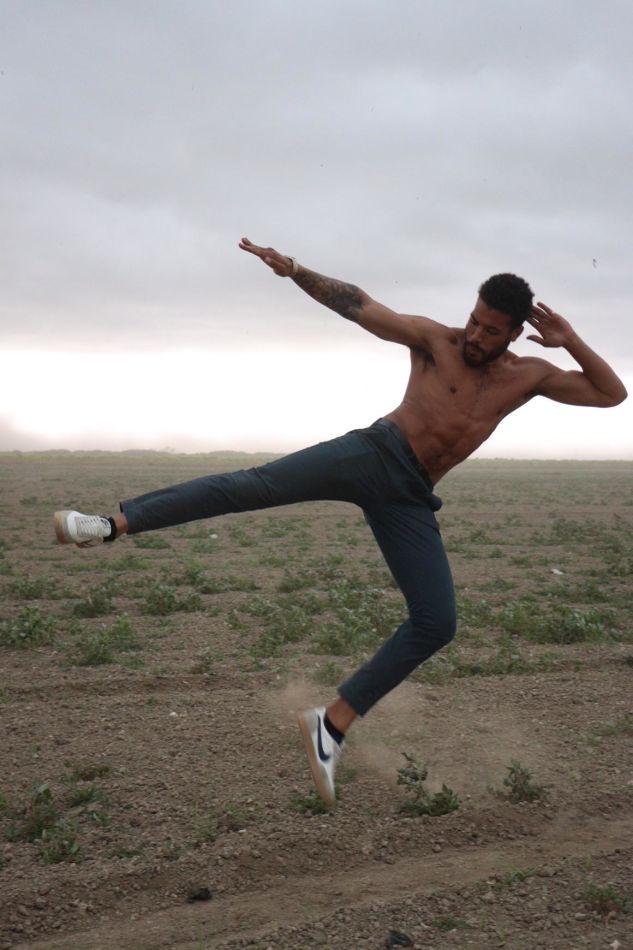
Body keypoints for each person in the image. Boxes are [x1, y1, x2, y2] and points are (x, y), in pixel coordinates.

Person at [53, 237, 628, 806]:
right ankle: (108, 524)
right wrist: (296, 271)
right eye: (474, 321)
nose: (476, 336)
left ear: (515, 332)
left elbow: (612, 395)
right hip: (373, 454)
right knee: (250, 486)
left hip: (410, 497)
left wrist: (572, 341)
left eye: (491, 330)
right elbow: (361, 306)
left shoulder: (528, 376)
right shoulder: (437, 341)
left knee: (437, 622)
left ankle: (330, 725)